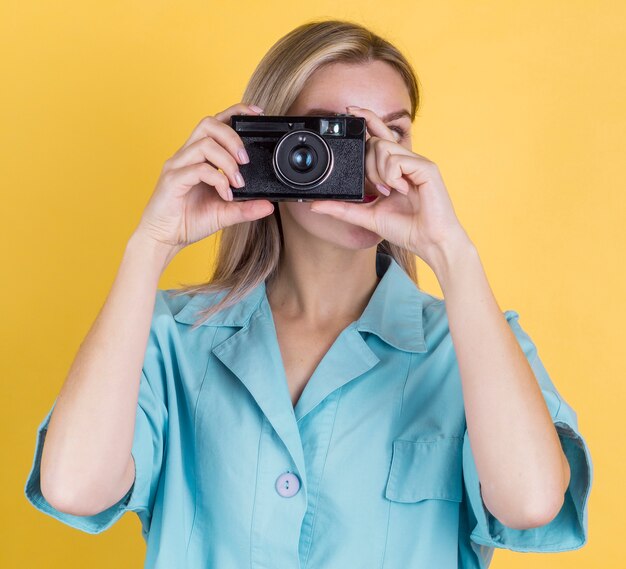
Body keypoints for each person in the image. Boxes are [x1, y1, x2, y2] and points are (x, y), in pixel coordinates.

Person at [24, 18, 592, 569]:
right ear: (267, 145)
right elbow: (75, 488)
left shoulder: (472, 345)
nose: (368, 162)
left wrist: (452, 253)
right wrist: (149, 244)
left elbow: (529, 505)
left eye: (392, 132)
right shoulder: (171, 341)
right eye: (330, 135)